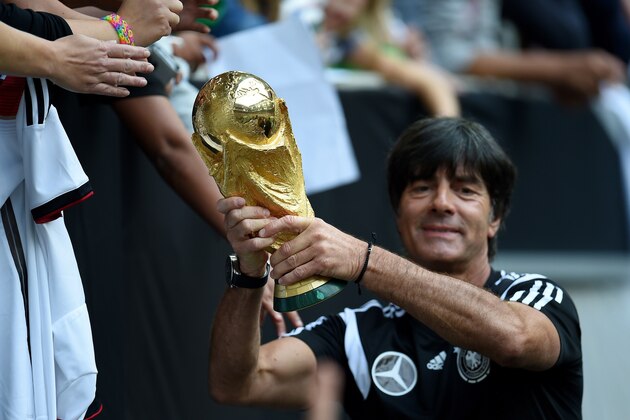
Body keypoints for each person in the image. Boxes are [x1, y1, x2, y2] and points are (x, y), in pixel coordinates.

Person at [208, 117, 582, 419]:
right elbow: (237, 384)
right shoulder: (355, 334)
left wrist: (363, 259)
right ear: (398, 213)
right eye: (421, 188)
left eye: (465, 191)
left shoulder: (534, 296)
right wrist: (250, 270)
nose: (441, 203)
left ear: (495, 218)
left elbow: (514, 340)